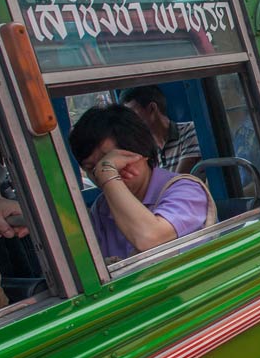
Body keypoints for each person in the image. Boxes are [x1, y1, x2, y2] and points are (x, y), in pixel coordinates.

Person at [69, 105, 214, 262]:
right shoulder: (101, 208)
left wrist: (109, 174)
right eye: (93, 169)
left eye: (110, 162)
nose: (100, 176)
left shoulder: (187, 191)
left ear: (140, 152)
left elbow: (150, 238)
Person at [120, 85, 201, 174]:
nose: (130, 121)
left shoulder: (190, 131)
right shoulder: (144, 150)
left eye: (133, 114)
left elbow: (179, 180)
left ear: (152, 108)